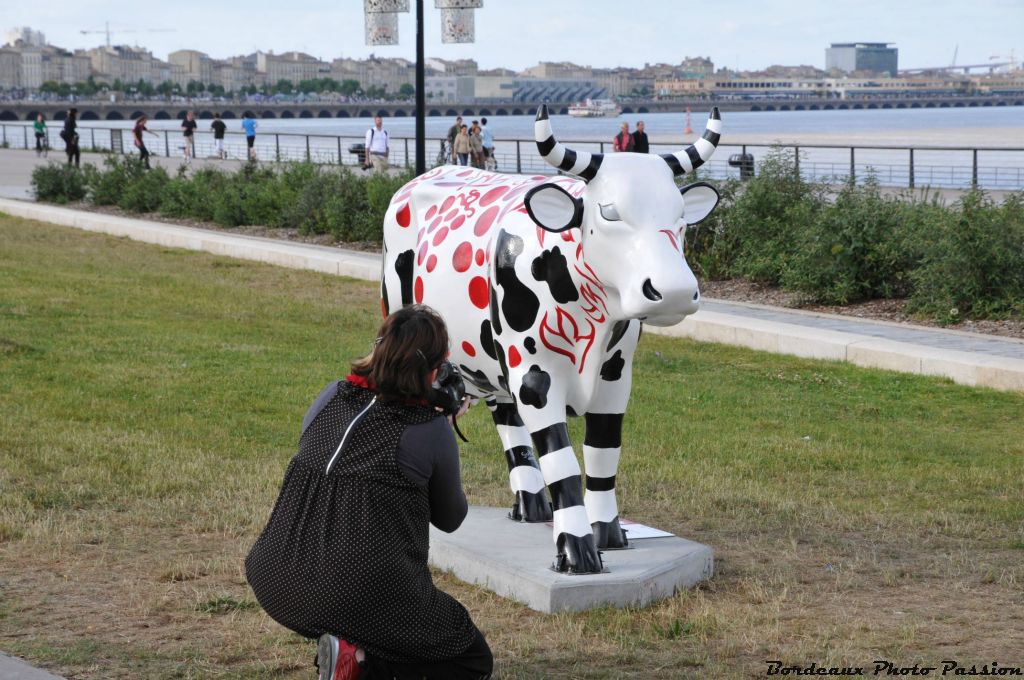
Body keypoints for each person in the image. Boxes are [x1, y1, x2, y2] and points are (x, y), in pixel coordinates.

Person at [245, 305, 493, 680]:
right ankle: (361, 661)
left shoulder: (330, 396)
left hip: (275, 579)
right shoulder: (428, 430)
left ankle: (352, 649)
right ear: (434, 369)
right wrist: (442, 428)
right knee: (471, 659)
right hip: (358, 593)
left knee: (373, 616)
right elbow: (450, 518)